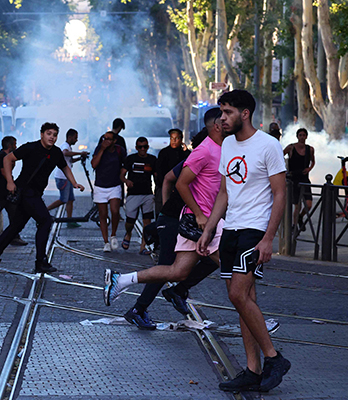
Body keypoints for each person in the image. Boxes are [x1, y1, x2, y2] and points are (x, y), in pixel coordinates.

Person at [198, 90, 290, 392]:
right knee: (244, 301)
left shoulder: (268, 145)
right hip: (231, 230)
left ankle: (273, 357)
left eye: (227, 112)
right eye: (221, 112)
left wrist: (268, 239)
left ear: (244, 113)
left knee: (238, 294)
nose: (221, 118)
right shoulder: (227, 145)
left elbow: (280, 194)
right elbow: (224, 192)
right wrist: (209, 229)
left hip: (254, 230)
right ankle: (252, 370)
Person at [104, 106, 225, 317]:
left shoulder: (219, 151)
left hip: (197, 220)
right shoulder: (201, 153)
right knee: (230, 270)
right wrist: (166, 208)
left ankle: (173, 290)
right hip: (178, 218)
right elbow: (171, 179)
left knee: (179, 270)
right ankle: (139, 308)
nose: (176, 140)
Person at [0, 122, 85, 275]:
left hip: (36, 193)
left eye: (55, 135)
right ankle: (40, 262)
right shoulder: (31, 147)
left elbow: (65, 167)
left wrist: (74, 182)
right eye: (49, 134)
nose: (52, 137)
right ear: (42, 134)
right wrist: (10, 181)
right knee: (45, 221)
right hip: (25, 192)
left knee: (15, 227)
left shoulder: (56, 152)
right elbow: (7, 159)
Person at [120, 137, 157, 255]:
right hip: (133, 193)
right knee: (130, 221)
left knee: (147, 221)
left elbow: (156, 176)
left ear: (148, 147)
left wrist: (156, 191)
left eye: (145, 147)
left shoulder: (152, 159)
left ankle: (143, 246)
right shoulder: (131, 159)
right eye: (140, 147)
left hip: (147, 193)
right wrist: (126, 181)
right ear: (136, 148)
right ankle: (128, 233)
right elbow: (121, 174)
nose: (143, 149)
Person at [91, 131, 126, 252]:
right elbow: (94, 164)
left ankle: (113, 234)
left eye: (109, 139)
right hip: (100, 186)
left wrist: (124, 178)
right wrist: (102, 149)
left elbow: (124, 165)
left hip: (115, 185)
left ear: (114, 141)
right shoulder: (99, 149)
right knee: (103, 214)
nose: (106, 141)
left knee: (115, 211)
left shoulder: (119, 150)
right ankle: (105, 241)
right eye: (104, 138)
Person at [47, 129, 89, 226]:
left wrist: (79, 158)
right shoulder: (65, 146)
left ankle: (69, 221)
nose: (76, 140)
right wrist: (80, 153)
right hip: (62, 178)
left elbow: (69, 160)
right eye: (75, 138)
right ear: (69, 137)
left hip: (67, 178)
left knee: (70, 199)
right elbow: (65, 153)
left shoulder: (68, 146)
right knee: (63, 199)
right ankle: (44, 211)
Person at [283, 128, 315, 230]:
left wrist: (309, 168)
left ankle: (300, 217)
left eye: (303, 135)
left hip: (304, 178)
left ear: (306, 136)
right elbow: (279, 156)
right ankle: (295, 224)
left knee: (309, 204)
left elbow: (313, 161)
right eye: (300, 135)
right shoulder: (291, 147)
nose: (302, 137)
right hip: (294, 178)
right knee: (297, 205)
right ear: (297, 136)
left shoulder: (309, 149)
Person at [155, 128, 189, 214]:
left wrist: (186, 151)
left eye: (176, 138)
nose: (174, 141)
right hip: (163, 186)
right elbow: (159, 172)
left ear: (181, 139)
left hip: (180, 188)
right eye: (171, 138)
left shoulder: (184, 153)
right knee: (162, 210)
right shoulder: (164, 153)